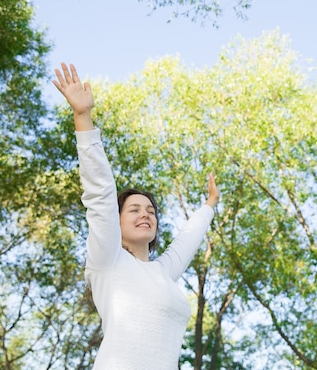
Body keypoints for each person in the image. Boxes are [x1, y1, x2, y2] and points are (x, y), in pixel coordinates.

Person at [53, 62, 219, 369]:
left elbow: (187, 240)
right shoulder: (108, 260)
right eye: (134, 209)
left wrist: (209, 205)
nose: (146, 215)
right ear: (115, 223)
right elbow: (100, 194)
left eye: (151, 211)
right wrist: (83, 116)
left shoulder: (163, 273)